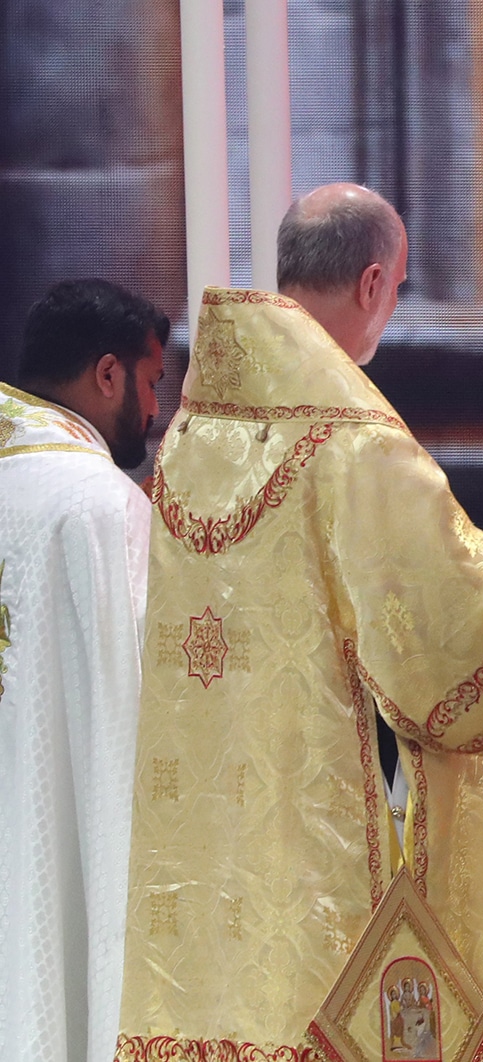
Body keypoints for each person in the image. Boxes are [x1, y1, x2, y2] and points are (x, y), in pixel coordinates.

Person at [114, 183, 483, 1059]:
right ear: (375, 281)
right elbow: (442, 657)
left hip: (211, 810)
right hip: (330, 828)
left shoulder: (194, 430)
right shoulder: (360, 442)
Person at [0, 280, 165, 1062]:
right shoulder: (101, 507)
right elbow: (144, 713)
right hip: (62, 842)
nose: (154, 409)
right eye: (151, 380)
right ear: (108, 375)